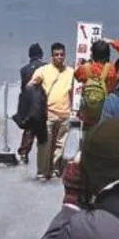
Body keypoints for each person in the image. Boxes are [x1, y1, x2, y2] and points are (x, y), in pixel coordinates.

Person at [30, 41, 77, 182]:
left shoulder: (70, 72)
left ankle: (56, 169)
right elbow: (30, 86)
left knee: (61, 145)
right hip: (48, 113)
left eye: (62, 54)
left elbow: (73, 92)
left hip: (65, 113)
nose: (60, 57)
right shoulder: (43, 71)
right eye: (56, 55)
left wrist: (74, 109)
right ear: (52, 56)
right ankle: (42, 172)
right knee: (44, 143)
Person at [73, 39, 119, 130]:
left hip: (88, 114)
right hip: (106, 114)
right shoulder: (112, 70)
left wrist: (86, 64)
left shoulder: (85, 68)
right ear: (108, 54)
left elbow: (77, 76)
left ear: (93, 53)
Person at [17, 43, 47, 167]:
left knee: (29, 130)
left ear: (30, 55)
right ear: (41, 54)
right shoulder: (46, 67)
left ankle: (23, 154)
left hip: (29, 105)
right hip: (42, 102)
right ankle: (44, 158)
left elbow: (23, 88)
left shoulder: (24, 69)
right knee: (44, 131)